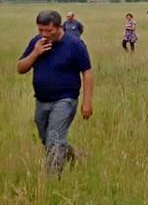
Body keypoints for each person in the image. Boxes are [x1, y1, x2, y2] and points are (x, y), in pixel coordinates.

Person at [17, 10, 94, 176]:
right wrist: (35, 53)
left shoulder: (74, 45)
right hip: (42, 100)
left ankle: (52, 181)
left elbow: (87, 72)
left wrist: (87, 102)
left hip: (65, 99)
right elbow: (21, 68)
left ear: (59, 27)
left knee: (55, 139)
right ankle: (75, 157)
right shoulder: (37, 43)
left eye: (48, 31)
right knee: (47, 138)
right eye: (40, 30)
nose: (44, 34)